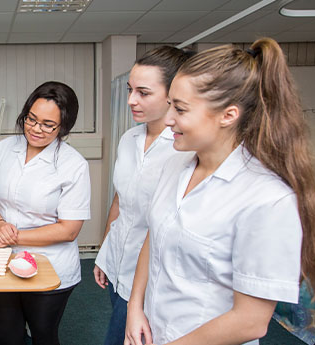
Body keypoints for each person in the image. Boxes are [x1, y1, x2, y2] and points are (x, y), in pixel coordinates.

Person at [124, 38, 315, 345]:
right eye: (170, 106)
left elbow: (251, 322)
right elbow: (155, 235)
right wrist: (135, 306)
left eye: (180, 109)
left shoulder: (267, 199)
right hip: (154, 330)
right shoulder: (175, 164)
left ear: (228, 115)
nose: (168, 121)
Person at [0, 81, 91, 345]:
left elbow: (69, 229)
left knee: (43, 336)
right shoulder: (5, 148)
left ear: (64, 126)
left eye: (48, 124)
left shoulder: (73, 165)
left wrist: (8, 237)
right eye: (31, 119)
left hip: (49, 265)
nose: (36, 129)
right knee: (7, 336)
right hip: (2, 262)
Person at [93, 46, 194, 345]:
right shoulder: (129, 139)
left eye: (143, 92)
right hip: (117, 262)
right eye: (129, 90)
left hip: (152, 278)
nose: (130, 100)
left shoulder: (184, 149)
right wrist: (104, 252)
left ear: (172, 94)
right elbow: (120, 199)